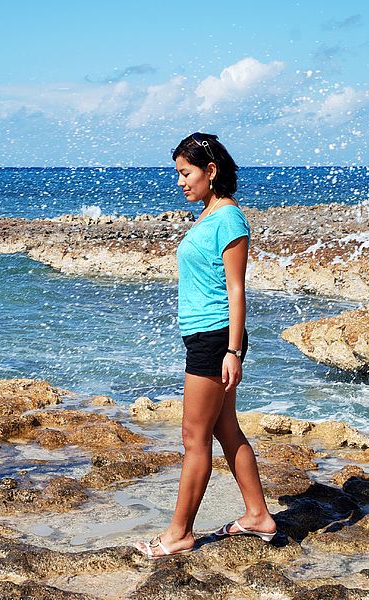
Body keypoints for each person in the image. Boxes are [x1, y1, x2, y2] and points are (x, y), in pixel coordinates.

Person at [134, 132, 277, 558]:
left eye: (186, 173)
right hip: (206, 336)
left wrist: (233, 351)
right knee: (224, 428)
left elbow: (237, 289)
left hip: (216, 339)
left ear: (210, 171)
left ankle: (179, 534)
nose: (180, 182)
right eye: (178, 173)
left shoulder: (229, 219)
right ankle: (258, 516)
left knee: (193, 438)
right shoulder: (209, 214)